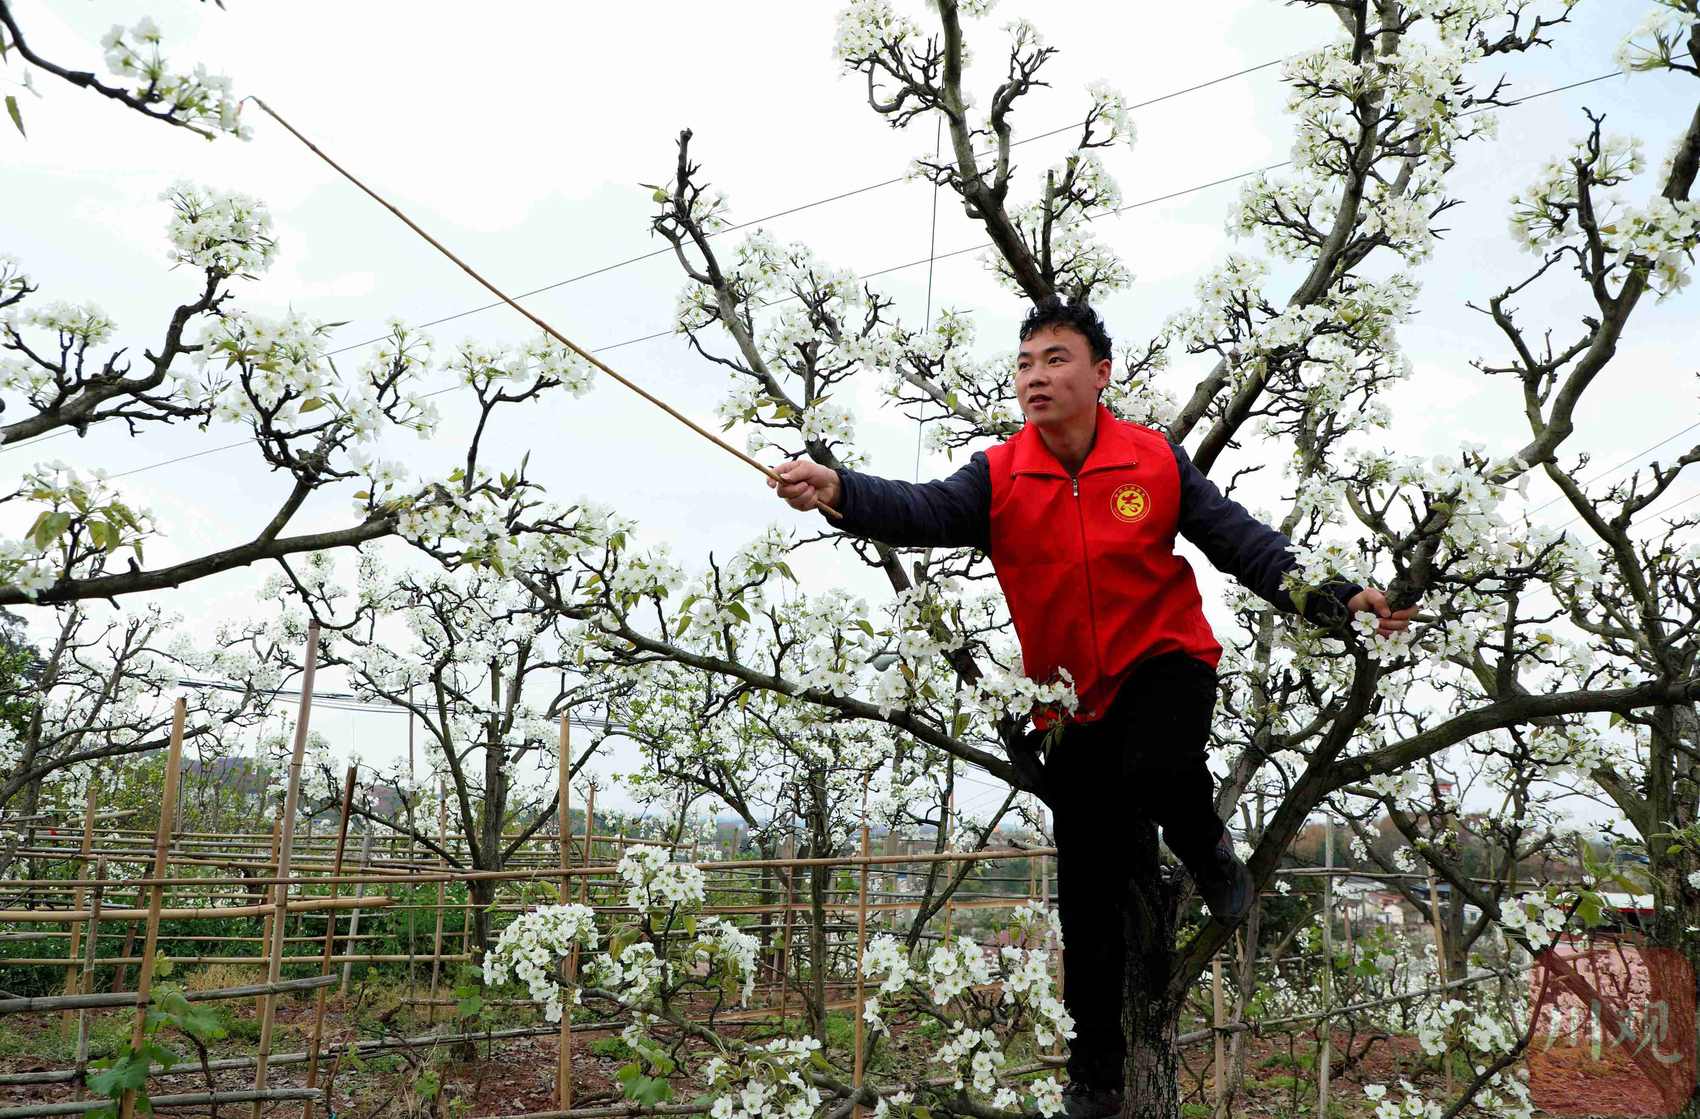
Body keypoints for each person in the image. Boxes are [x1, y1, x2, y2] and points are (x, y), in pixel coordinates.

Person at [768, 299, 1417, 1117]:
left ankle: (1208, 846)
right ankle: (1097, 1076)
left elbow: (1243, 542)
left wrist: (1336, 597)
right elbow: (919, 508)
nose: (1035, 376)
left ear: (1101, 373)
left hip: (1166, 660)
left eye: (1056, 359)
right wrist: (838, 490)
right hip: (1069, 704)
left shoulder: (1154, 460)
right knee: (1086, 891)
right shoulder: (999, 476)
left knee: (1160, 764)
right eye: (1025, 364)